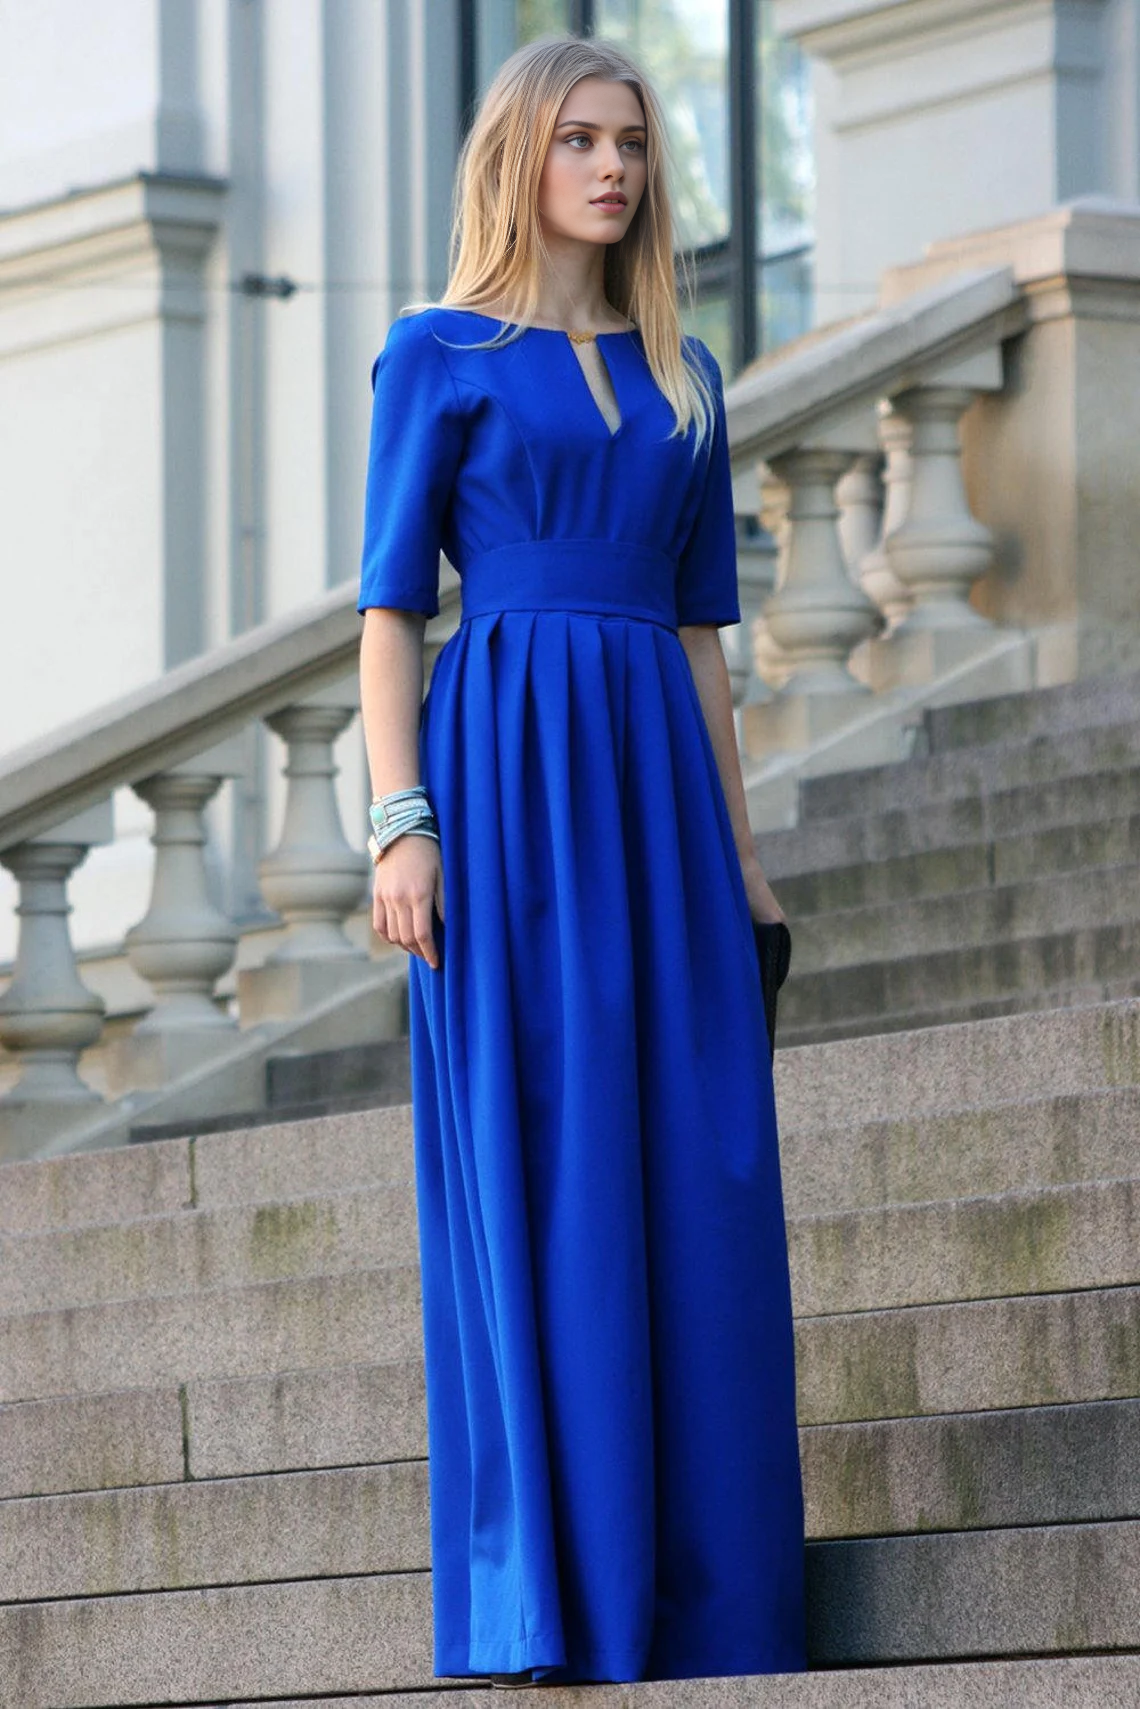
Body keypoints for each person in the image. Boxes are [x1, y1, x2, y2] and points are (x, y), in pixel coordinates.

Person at [357, 33, 807, 1688]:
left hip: (657, 805)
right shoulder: (438, 354)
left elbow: (704, 648)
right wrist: (403, 824)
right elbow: (389, 612)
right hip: (501, 790)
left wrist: (744, 868)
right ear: (521, 161)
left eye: (630, 141)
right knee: (541, 1166)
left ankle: (706, 1597)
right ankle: (549, 1595)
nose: (610, 169)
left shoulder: (688, 383)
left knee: (695, 1170)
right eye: (579, 140)